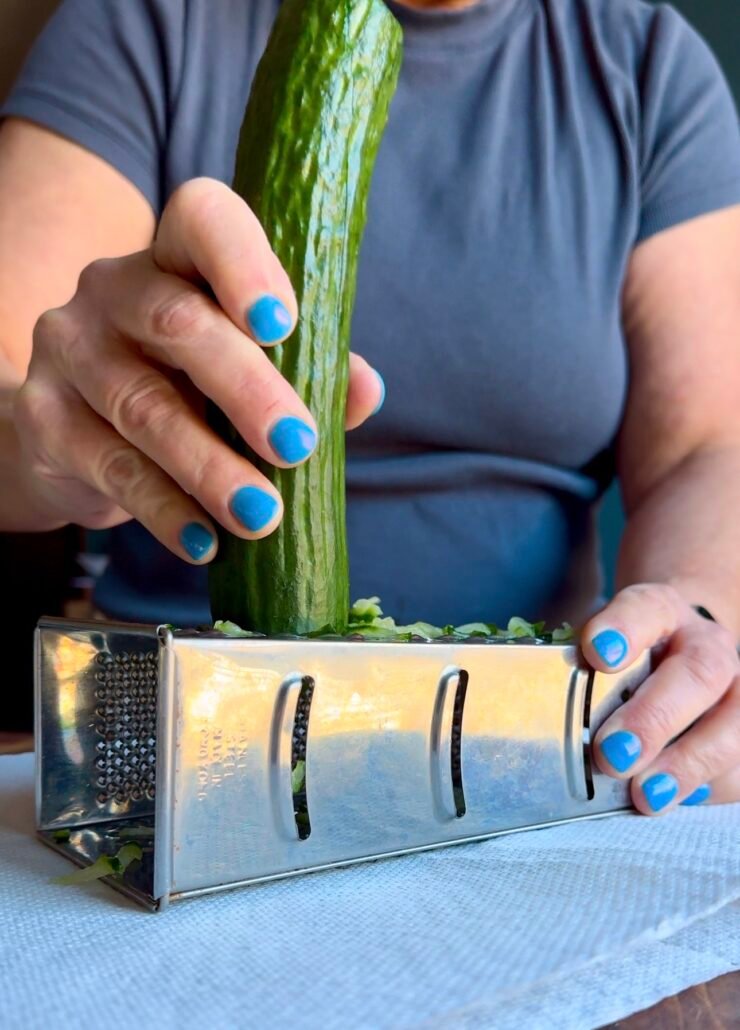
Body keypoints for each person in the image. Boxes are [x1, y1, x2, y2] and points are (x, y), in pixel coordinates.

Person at [0, 0, 738, 815]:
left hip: (536, 730)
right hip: (186, 740)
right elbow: (13, 379)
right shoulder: (145, 20)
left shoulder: (648, 64)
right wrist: (57, 436)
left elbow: (707, 448)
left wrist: (692, 612)